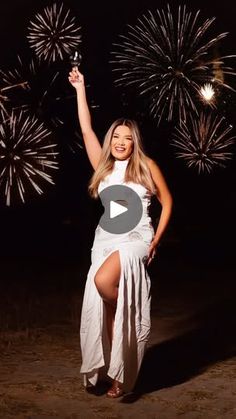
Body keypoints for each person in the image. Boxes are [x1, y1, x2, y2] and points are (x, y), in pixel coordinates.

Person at [68, 68, 173, 398]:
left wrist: (155, 241)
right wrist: (80, 88)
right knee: (104, 307)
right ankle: (118, 375)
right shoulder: (103, 165)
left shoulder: (146, 166)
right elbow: (85, 128)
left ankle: (130, 311)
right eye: (117, 137)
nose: (121, 143)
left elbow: (167, 202)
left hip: (137, 240)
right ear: (110, 139)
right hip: (105, 241)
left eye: (128, 138)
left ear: (134, 142)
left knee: (104, 284)